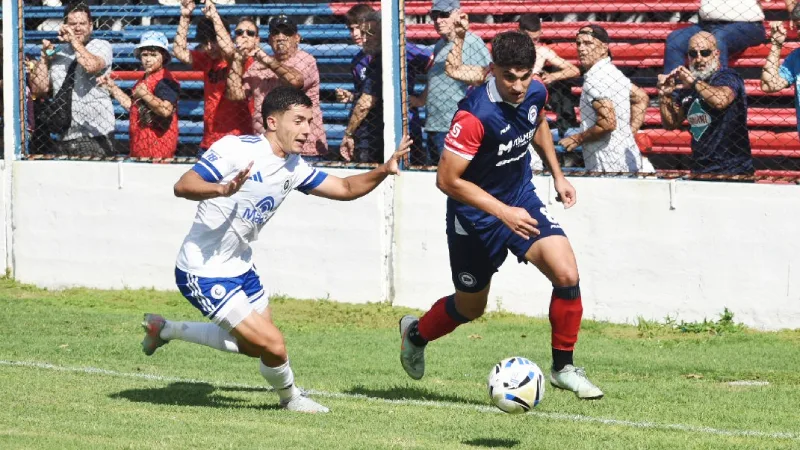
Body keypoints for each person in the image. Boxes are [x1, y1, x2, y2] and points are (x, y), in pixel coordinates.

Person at [140, 86, 412, 413]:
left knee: (257, 347)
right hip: (203, 269)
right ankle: (291, 399)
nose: (306, 129)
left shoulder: (293, 166)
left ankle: (164, 329)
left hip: (240, 266)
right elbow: (183, 185)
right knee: (274, 344)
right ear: (272, 122)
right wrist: (220, 188)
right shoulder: (236, 150)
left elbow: (344, 187)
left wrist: (384, 170)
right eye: (298, 120)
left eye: (309, 121)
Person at [397, 31, 604, 400]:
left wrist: (557, 174)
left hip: (519, 199)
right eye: (509, 77)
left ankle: (563, 368)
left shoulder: (535, 91)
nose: (519, 85)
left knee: (566, 272)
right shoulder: (475, 116)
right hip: (474, 217)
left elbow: (536, 122)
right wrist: (501, 212)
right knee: (469, 307)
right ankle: (415, 335)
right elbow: (446, 180)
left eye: (525, 76)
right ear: (492, 70)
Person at [337, 4, 433, 164]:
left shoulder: (401, 50)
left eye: (362, 30)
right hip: (371, 130)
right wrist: (352, 97)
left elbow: (436, 66)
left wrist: (421, 98)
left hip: (404, 125)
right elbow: (368, 95)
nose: (357, 35)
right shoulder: (358, 61)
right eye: (351, 29)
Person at [226, 15, 328, 157]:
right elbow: (235, 95)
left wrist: (266, 60)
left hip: (302, 148)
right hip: (267, 148)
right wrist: (237, 59)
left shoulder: (306, 59)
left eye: (287, 32)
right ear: (269, 39)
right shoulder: (257, 66)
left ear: (297, 38)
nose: (281, 37)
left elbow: (295, 81)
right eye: (276, 33)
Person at [658, 32, 754, 176]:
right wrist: (665, 95)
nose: (699, 59)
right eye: (693, 54)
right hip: (699, 170)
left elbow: (720, 100)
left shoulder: (727, 76)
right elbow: (671, 123)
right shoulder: (688, 87)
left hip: (733, 170)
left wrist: (694, 82)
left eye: (705, 53)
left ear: (716, 54)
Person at [558, 25, 651, 173]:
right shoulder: (612, 72)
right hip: (625, 155)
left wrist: (578, 138)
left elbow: (607, 123)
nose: (581, 49)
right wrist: (629, 133)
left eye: (588, 43)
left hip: (607, 163)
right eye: (579, 43)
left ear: (604, 48)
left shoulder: (595, 78)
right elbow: (641, 97)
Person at [29, 2, 116, 157]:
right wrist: (44, 58)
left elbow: (91, 65)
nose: (77, 28)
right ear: (64, 25)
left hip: (96, 135)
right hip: (65, 136)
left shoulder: (101, 45)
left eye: (82, 23)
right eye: (72, 24)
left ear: (91, 26)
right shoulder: (58, 52)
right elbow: (39, 89)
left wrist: (73, 40)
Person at [173, 0, 252, 157]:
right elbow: (179, 51)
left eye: (213, 41)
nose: (209, 47)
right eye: (205, 42)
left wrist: (214, 16)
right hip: (210, 139)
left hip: (238, 138)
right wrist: (185, 17)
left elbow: (229, 49)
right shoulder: (208, 60)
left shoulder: (239, 58)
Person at [423, 0, 491, 165]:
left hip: (455, 126)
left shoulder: (470, 42)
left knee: (453, 181)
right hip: (435, 124)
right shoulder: (440, 45)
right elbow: (436, 80)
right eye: (434, 15)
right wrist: (420, 99)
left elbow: (487, 77)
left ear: (458, 15)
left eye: (444, 15)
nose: (438, 20)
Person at [98, 31, 180, 159]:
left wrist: (145, 94)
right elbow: (133, 106)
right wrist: (112, 87)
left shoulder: (165, 80)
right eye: (144, 55)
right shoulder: (143, 80)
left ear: (163, 56)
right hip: (139, 148)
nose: (148, 59)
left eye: (153, 55)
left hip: (158, 151)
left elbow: (166, 110)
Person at [662, 0, 784, 74]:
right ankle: (674, 97)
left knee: (716, 39)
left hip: (747, 25)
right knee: (675, 40)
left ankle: (718, 92)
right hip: (707, 25)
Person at [761, 8, 800, 136]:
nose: (799, 32)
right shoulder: (796, 57)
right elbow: (769, 85)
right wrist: (776, 45)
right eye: (798, 27)